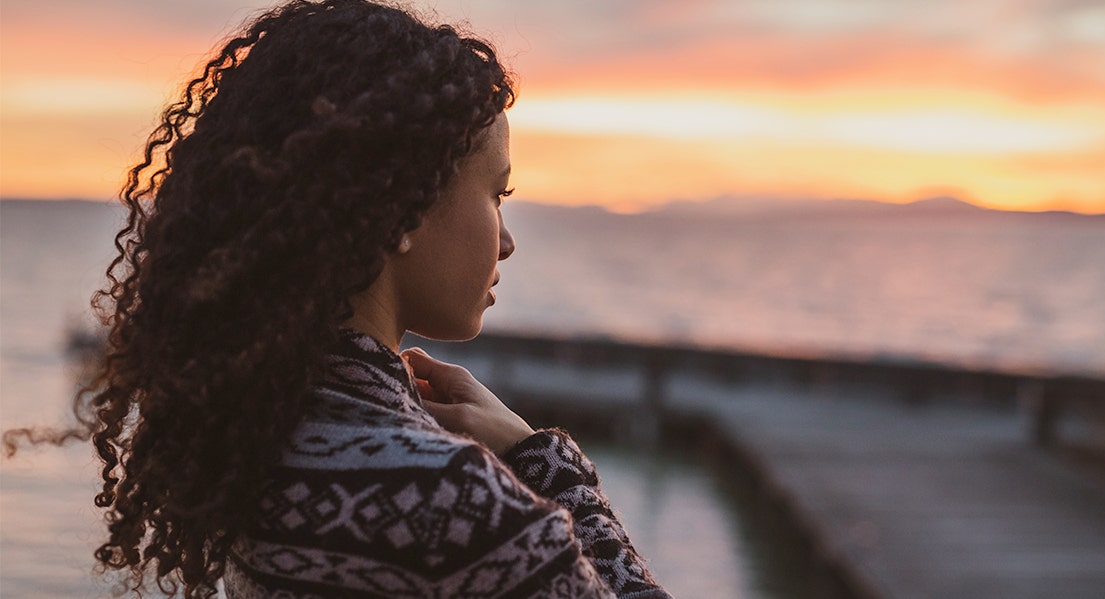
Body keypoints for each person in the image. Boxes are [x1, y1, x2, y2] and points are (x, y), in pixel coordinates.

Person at [52, 1, 672, 596]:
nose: (506, 243)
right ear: (403, 209)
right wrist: (540, 461)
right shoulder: (459, 505)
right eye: (497, 195)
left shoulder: (258, 435)